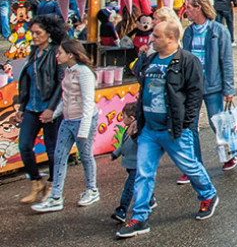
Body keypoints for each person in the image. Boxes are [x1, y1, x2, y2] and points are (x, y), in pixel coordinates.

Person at [117, 19, 219, 238]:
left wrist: (186, 124)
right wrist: (139, 119)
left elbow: (194, 94)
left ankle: (208, 194)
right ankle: (139, 217)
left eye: (156, 36)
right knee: (143, 173)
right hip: (149, 131)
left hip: (174, 129)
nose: (152, 39)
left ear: (171, 38)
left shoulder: (187, 61)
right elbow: (142, 88)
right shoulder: (151, 59)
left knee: (190, 166)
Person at [32, 38, 100, 213]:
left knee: (85, 155)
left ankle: (92, 190)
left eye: (60, 52)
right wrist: (54, 115)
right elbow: (66, 97)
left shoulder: (84, 73)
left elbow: (87, 102)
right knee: (59, 156)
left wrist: (84, 129)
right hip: (68, 120)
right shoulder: (68, 71)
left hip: (82, 120)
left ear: (70, 54)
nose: (57, 55)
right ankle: (56, 197)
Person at [11, 14, 65, 205]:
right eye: (32, 32)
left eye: (37, 33)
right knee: (24, 145)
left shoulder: (57, 53)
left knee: (52, 151)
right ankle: (36, 182)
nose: (33, 36)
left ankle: (52, 184)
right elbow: (27, 80)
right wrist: (21, 105)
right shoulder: (34, 52)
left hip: (49, 110)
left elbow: (60, 83)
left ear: (49, 33)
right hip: (32, 107)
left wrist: (51, 109)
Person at [181, 0, 237, 172]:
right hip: (192, 86)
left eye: (189, 7)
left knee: (217, 123)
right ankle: (194, 165)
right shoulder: (188, 33)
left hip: (212, 84)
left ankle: (230, 153)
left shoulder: (218, 31)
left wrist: (229, 88)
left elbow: (226, 62)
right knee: (190, 126)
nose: (186, 11)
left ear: (199, 8)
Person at [110, 102, 155, 224]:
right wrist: (116, 153)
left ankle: (122, 210)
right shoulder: (127, 130)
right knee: (142, 184)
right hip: (129, 165)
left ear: (131, 118)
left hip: (137, 165)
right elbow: (123, 144)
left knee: (129, 188)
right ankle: (150, 199)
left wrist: (133, 135)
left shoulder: (138, 132)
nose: (122, 119)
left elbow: (140, 144)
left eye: (123, 116)